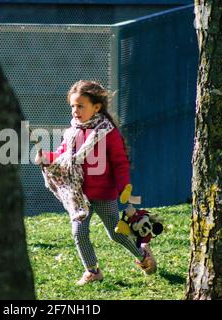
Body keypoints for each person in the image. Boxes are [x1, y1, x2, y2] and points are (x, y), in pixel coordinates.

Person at [35, 80, 156, 285]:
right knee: (79, 232)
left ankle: (143, 254)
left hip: (104, 194)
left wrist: (124, 187)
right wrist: (47, 157)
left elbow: (120, 163)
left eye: (80, 106)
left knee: (116, 234)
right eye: (73, 106)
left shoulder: (108, 133)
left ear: (96, 107)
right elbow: (62, 156)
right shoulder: (72, 131)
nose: (75, 110)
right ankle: (93, 271)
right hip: (79, 195)